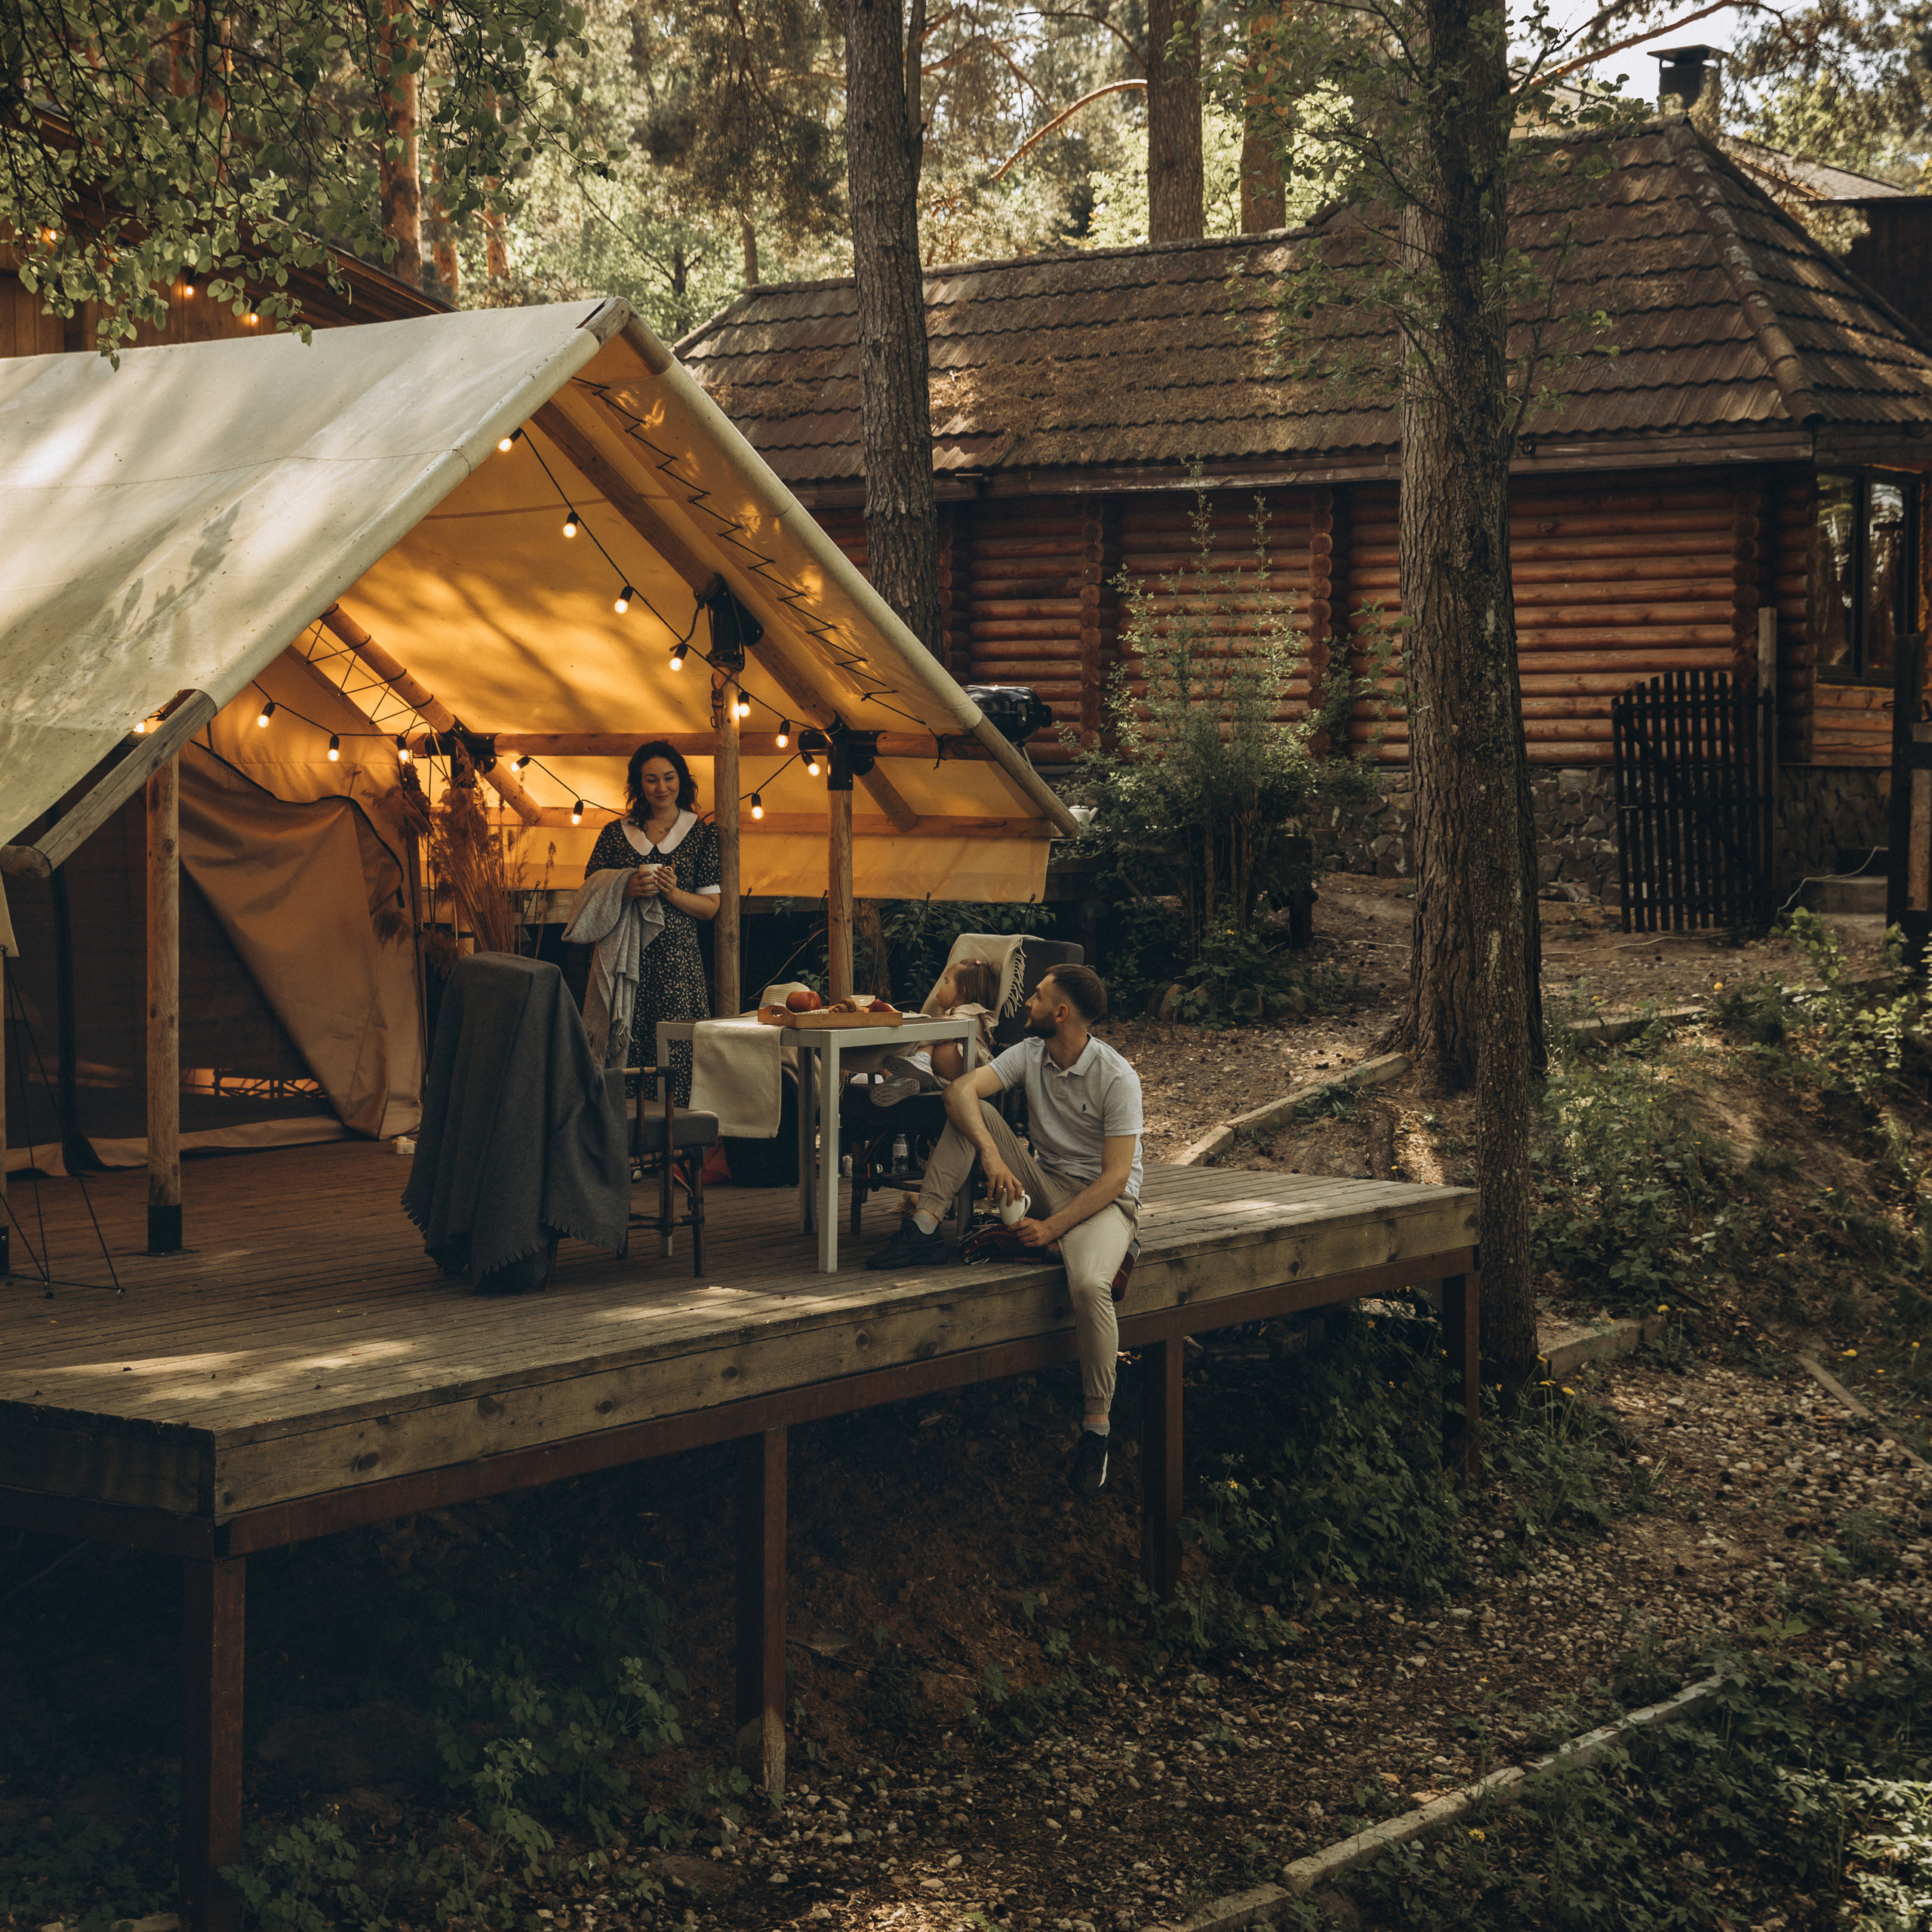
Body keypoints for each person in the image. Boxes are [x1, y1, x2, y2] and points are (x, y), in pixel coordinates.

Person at [865, 964, 1141, 1496]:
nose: (1025, 1006)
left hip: (1103, 1201)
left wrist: (1052, 1228)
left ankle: (1096, 1428)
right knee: (969, 1113)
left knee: (1087, 1286)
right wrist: (993, 1155)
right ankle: (923, 1228)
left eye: (1037, 998)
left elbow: (1114, 1180)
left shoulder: (1116, 1076)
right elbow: (960, 1092)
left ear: (1061, 1013)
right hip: (1043, 1178)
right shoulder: (1030, 1054)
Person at [581, 741, 720, 1104]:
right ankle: (627, 1148)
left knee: (677, 1055)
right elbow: (589, 894)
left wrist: (671, 893)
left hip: (678, 966)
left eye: (669, 778)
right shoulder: (616, 833)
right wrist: (624, 887)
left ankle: (678, 1151)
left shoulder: (700, 834)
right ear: (638, 784)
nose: (662, 788)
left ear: (682, 780)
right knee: (625, 1048)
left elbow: (710, 908)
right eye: (652, 780)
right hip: (625, 963)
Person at [869, 956, 1001, 1104]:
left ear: (962, 991)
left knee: (931, 1033)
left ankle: (918, 1064)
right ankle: (903, 1081)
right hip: (948, 1076)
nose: (941, 987)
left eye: (946, 982)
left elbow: (939, 1032)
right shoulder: (955, 1014)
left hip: (969, 1069)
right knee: (887, 1060)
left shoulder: (970, 1013)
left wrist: (908, 1040)